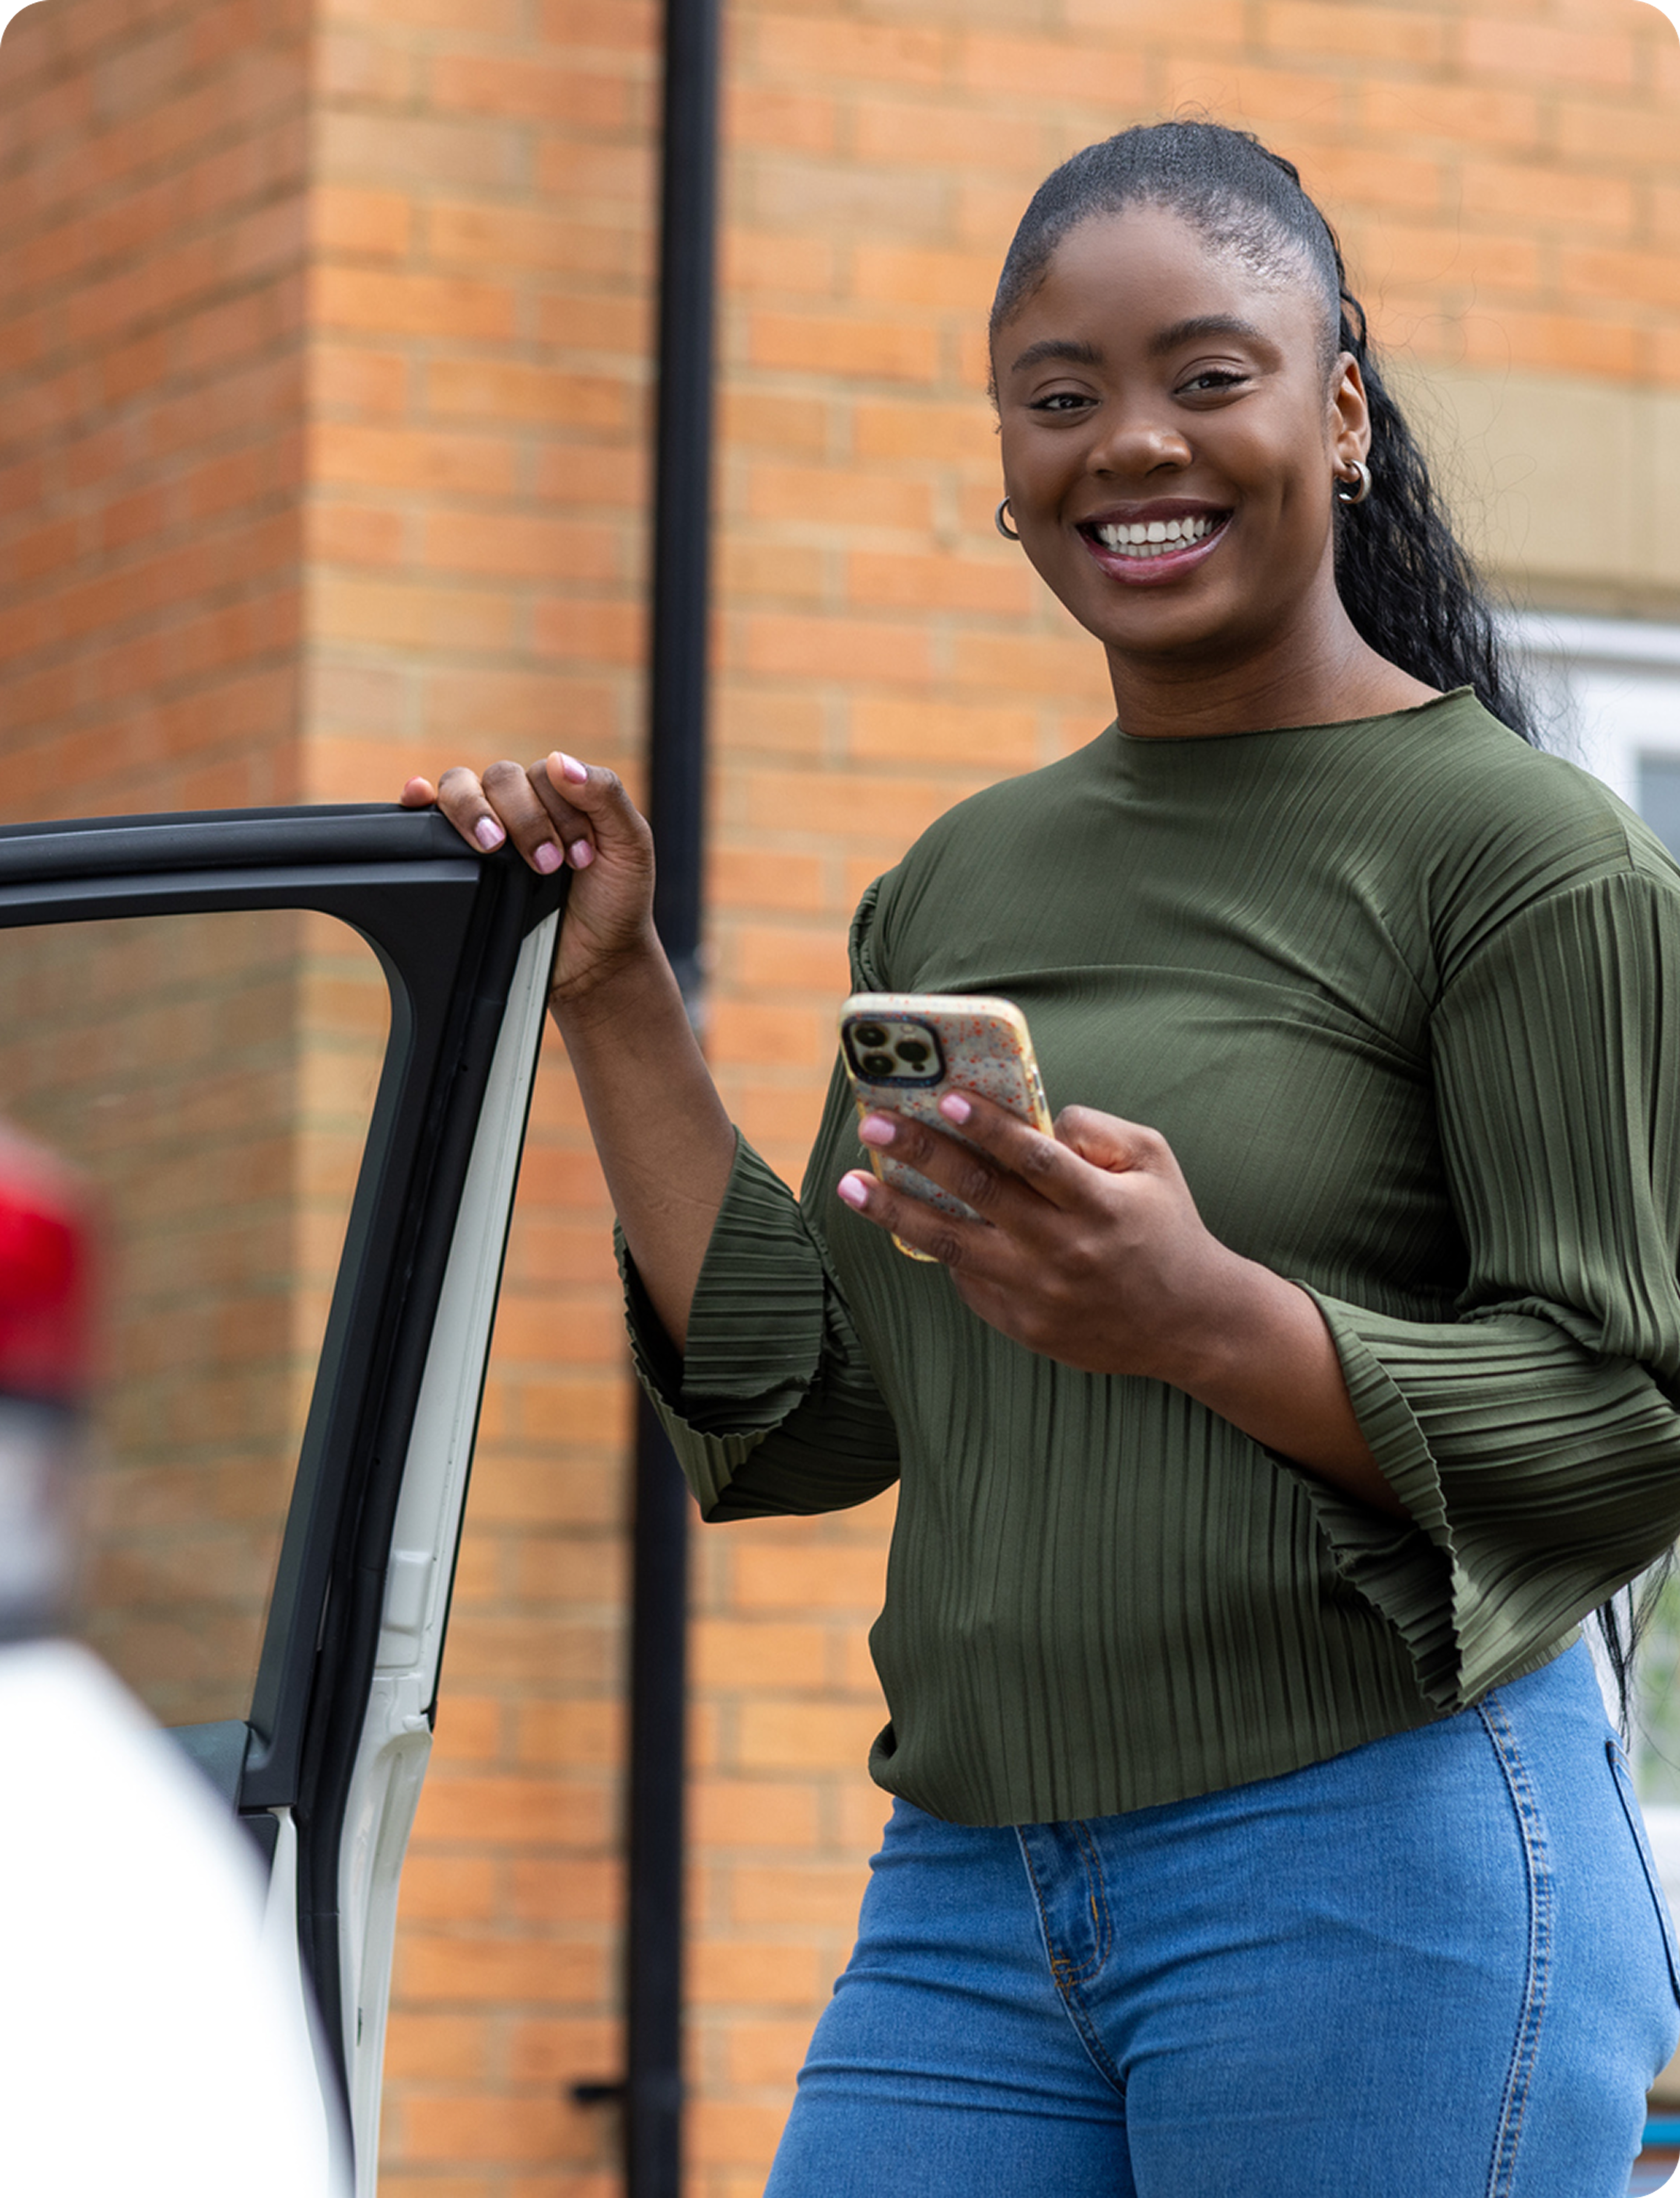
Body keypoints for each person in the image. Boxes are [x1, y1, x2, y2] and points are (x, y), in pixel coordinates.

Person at [404, 121, 1680, 2198]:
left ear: (1339, 411)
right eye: (1061, 398)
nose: (1130, 448)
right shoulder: (957, 880)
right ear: (1004, 461)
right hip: (972, 1904)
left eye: (1207, 375)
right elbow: (807, 1408)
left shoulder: (1525, 864)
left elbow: (1633, 1423)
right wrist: (618, 996)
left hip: (1373, 1869)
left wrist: (1207, 1320)